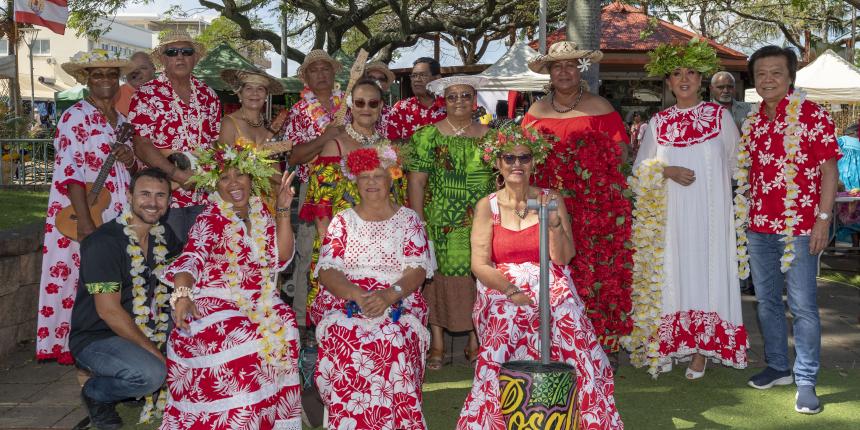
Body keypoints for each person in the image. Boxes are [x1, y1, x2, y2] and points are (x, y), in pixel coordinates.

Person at [457, 124, 622, 429]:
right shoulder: (487, 206)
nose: (517, 164)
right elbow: (480, 264)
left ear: (534, 162)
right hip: (501, 282)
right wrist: (509, 290)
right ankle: (501, 413)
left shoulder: (551, 197)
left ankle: (574, 410)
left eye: (524, 157)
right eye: (509, 158)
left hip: (550, 275)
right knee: (508, 317)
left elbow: (563, 257)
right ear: (498, 162)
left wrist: (555, 225)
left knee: (564, 313)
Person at [627, 39, 748, 379]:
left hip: (710, 219)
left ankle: (702, 350)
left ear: (701, 80)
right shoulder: (658, 123)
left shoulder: (720, 117)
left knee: (707, 274)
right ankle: (673, 344)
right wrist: (666, 171)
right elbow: (638, 171)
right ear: (667, 82)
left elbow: (739, 165)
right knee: (673, 277)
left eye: (691, 73)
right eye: (677, 74)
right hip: (670, 221)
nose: (684, 79)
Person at [159, 142, 301, 429]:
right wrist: (183, 294)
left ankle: (267, 418)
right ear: (216, 184)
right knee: (245, 337)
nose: (234, 183)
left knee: (285, 323)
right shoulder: (209, 219)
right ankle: (237, 419)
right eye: (225, 177)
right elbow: (190, 260)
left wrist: (283, 208)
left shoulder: (262, 213)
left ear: (252, 179)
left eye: (240, 175)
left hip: (259, 299)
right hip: (215, 300)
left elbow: (282, 257)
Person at [739, 45, 840, 414]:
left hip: (799, 226)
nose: (768, 80)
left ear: (790, 77)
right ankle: (779, 366)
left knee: (802, 306)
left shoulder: (812, 114)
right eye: (761, 73)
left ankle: (807, 379)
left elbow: (830, 171)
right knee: (765, 302)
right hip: (758, 226)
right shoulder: (752, 121)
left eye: (776, 73)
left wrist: (823, 220)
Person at [311, 144, 434, 429]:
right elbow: (328, 270)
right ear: (354, 180)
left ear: (392, 178)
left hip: (398, 300)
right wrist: (358, 295)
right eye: (363, 176)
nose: (370, 182)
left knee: (391, 338)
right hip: (348, 299)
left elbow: (417, 270)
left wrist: (389, 296)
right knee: (345, 335)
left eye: (377, 176)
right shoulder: (342, 221)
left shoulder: (409, 220)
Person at [525, 41, 632, 365]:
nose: (564, 71)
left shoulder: (600, 107)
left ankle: (601, 346)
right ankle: (556, 343)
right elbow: (522, 159)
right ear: (549, 73)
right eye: (557, 66)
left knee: (596, 273)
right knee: (554, 273)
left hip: (596, 208)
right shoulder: (534, 112)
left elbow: (621, 154)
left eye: (570, 65)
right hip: (548, 208)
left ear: (580, 69)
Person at [36, 50, 137, 363]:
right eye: (97, 74)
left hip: (118, 211)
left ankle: (110, 339)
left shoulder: (122, 121)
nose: (105, 80)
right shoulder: (75, 116)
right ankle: (72, 345)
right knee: (76, 276)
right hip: (82, 212)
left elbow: (130, 172)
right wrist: (85, 222)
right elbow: (70, 172)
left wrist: (129, 159)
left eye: (111, 74)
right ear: (86, 79)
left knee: (109, 277)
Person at [71, 168, 180, 430]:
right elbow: (109, 311)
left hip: (143, 329)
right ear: (128, 195)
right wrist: (158, 355)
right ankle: (96, 392)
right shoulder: (103, 243)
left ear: (169, 202)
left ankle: (131, 382)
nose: (152, 203)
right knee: (153, 373)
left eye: (160, 196)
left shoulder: (163, 235)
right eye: (144, 194)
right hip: (97, 337)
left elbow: (184, 271)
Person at [407, 75, 493, 370]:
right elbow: (416, 182)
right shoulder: (426, 136)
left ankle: (475, 341)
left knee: (479, 276)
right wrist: (418, 223)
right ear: (444, 100)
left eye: (465, 95)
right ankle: (438, 344)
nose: (459, 101)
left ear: (474, 100)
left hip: (481, 219)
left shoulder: (490, 137)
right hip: (439, 219)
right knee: (436, 280)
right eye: (453, 96)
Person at [129, 30, 221, 244]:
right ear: (162, 58)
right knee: (165, 264)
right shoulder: (146, 94)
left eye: (186, 51)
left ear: (195, 58)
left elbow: (216, 144)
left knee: (204, 262)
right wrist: (176, 174)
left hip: (205, 196)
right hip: (162, 199)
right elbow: (141, 145)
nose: (179, 56)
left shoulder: (209, 96)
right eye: (172, 52)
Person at [281, 49, 344, 328]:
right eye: (314, 70)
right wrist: (325, 140)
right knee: (309, 251)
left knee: (346, 251)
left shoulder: (349, 106)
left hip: (349, 187)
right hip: (314, 187)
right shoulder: (298, 111)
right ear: (305, 77)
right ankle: (302, 320)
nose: (321, 74)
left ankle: (343, 314)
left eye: (325, 69)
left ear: (334, 73)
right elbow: (293, 157)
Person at [218, 67, 290, 209]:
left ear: (266, 95)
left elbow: (275, 172)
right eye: (249, 88)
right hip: (239, 200)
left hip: (268, 202)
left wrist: (281, 198)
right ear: (240, 93)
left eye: (260, 89)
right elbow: (223, 168)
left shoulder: (269, 127)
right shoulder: (229, 123)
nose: (255, 94)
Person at [387, 57, 447, 143]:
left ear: (437, 79)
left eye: (423, 75)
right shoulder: (400, 108)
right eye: (414, 76)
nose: (417, 80)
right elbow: (391, 144)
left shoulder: (450, 106)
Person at [114, 51, 156, 116]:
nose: (136, 71)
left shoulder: (167, 93)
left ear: (153, 70)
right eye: (132, 68)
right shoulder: (114, 95)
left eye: (142, 68)